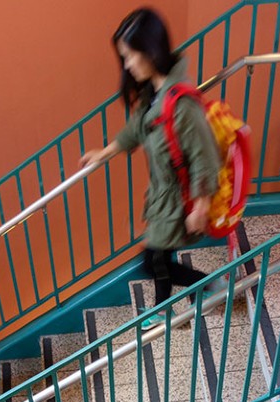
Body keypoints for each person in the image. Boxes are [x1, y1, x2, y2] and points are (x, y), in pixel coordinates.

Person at [80, 7, 225, 328]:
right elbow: (136, 129)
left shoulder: (181, 105)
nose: (128, 65)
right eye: (125, 58)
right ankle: (182, 299)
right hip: (161, 194)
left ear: (151, 51)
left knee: (153, 259)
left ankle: (207, 287)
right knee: (159, 257)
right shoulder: (151, 95)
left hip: (176, 199)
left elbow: (205, 157)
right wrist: (103, 153)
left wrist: (200, 207)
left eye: (131, 56)